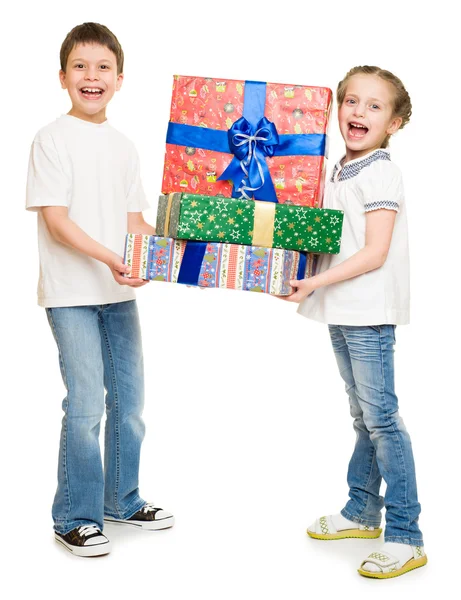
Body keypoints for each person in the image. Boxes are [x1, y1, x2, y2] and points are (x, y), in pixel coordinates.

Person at [26, 22, 174, 558]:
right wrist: (114, 258)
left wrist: (165, 254)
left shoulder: (123, 146)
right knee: (86, 405)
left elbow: (135, 220)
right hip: (70, 293)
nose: (92, 76)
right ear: (63, 77)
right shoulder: (51, 139)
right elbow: (57, 221)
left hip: (118, 296)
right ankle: (75, 516)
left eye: (103, 67)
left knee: (130, 403)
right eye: (81, 67)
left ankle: (122, 499)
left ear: (120, 79)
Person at [284, 66, 427, 579]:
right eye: (351, 101)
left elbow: (374, 252)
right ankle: (363, 511)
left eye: (373, 106)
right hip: (342, 310)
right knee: (363, 416)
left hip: (367, 311)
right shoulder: (337, 168)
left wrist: (314, 283)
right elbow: (325, 236)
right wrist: (297, 272)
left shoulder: (381, 171)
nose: (358, 112)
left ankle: (406, 535)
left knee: (382, 418)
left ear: (395, 122)